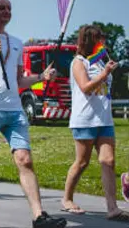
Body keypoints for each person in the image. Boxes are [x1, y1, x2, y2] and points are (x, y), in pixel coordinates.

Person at [0, 0, 66, 228]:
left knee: (25, 159)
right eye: (1, 7)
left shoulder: (17, 42)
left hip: (14, 110)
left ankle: (39, 216)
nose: (6, 11)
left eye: (9, 8)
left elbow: (19, 80)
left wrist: (41, 77)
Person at [61, 25, 129, 221]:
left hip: (104, 119)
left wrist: (106, 71)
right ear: (90, 40)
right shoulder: (79, 62)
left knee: (108, 161)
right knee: (82, 162)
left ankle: (112, 208)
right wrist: (105, 74)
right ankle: (67, 199)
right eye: (100, 39)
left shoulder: (100, 63)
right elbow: (86, 88)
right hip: (85, 120)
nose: (104, 43)